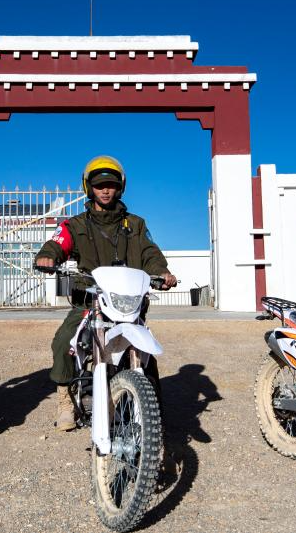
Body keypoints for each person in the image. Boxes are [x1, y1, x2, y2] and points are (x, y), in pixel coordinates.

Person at [34, 156, 177, 431]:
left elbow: (150, 252)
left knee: (145, 354)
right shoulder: (75, 224)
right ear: (89, 188)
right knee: (64, 341)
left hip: (128, 304)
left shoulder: (135, 224)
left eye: (111, 185)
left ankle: (153, 417)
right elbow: (57, 243)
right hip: (90, 302)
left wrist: (162, 272)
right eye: (99, 185)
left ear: (120, 187)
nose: (105, 190)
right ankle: (65, 400)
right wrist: (47, 256)